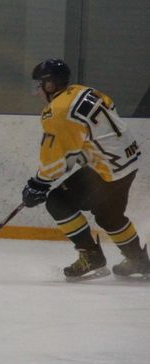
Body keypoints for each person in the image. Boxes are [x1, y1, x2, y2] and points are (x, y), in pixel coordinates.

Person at [21, 59, 148, 280]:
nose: (38, 92)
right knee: (110, 216)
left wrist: (38, 184)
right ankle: (139, 261)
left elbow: (54, 159)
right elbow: (106, 120)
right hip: (128, 159)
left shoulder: (56, 111)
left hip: (107, 169)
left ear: (50, 85)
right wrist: (87, 152)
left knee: (57, 201)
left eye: (39, 86)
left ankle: (91, 256)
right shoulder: (84, 91)